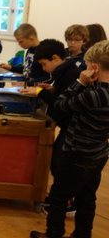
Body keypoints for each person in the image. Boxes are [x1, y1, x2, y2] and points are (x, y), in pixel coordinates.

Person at [30, 40, 109, 238]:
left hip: (77, 153)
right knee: (87, 197)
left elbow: (61, 105)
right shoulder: (99, 91)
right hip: (98, 153)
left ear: (94, 67)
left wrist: (80, 81)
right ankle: (83, 234)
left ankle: (53, 234)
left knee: (58, 197)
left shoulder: (95, 94)